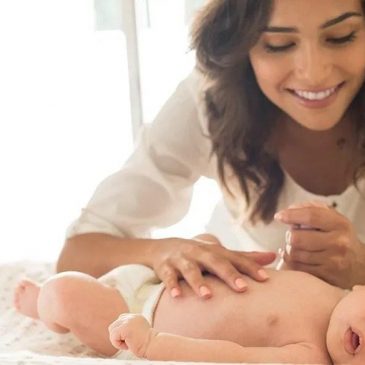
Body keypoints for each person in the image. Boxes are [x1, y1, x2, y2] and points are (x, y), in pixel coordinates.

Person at [57, 0, 365, 297]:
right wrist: (161, 251)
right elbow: (77, 255)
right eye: (278, 44)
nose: (313, 73)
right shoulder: (210, 101)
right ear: (242, 44)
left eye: (341, 37)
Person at [13, 260, 364, 364]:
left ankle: (44, 307)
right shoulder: (330, 284)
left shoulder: (311, 356)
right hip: (168, 280)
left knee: (64, 293)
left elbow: (233, 356)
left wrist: (152, 343)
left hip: (139, 320)